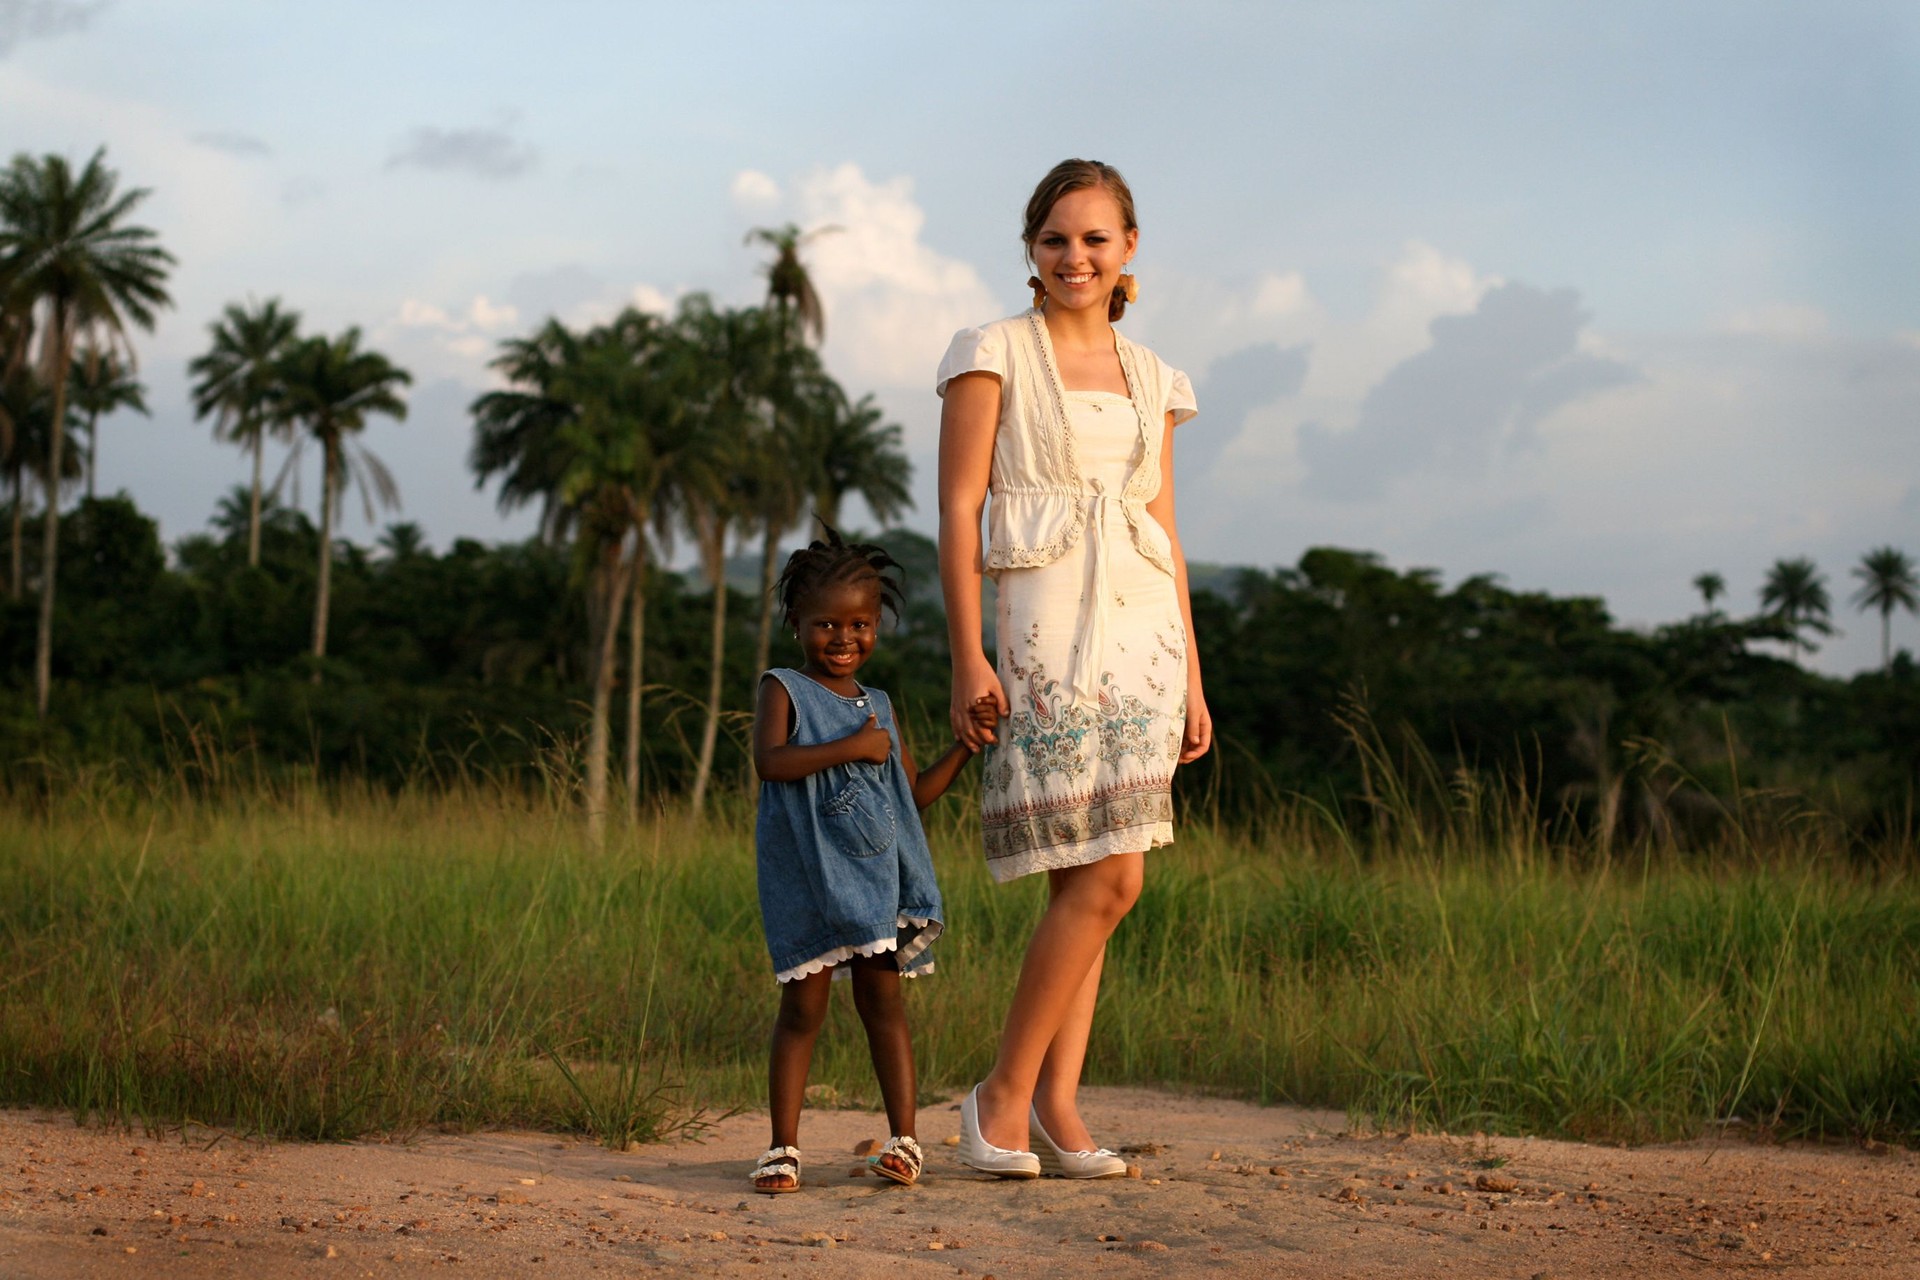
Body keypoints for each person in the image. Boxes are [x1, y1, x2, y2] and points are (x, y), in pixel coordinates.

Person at [936, 158, 1213, 1179]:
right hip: (1043, 624)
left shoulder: (1154, 376)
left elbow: (1164, 525)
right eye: (1055, 239)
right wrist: (967, 652)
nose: (1075, 257)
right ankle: (1001, 1095)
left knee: (1104, 866)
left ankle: (1055, 1102)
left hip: (1144, 634)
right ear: (1032, 249)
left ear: (1129, 248)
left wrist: (1193, 673)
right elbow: (960, 507)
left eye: (1095, 239)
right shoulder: (990, 353)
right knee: (1102, 874)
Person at [748, 527, 995, 1193]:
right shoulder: (785, 690)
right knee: (802, 1012)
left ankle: (905, 1142)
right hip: (808, 886)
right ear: (795, 622)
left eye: (860, 624)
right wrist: (850, 750)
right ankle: (781, 1148)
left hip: (876, 889)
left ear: (877, 624)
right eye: (826, 623)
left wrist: (967, 748)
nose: (843, 638)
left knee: (884, 1005)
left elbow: (910, 796)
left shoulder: (878, 708)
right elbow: (771, 763)